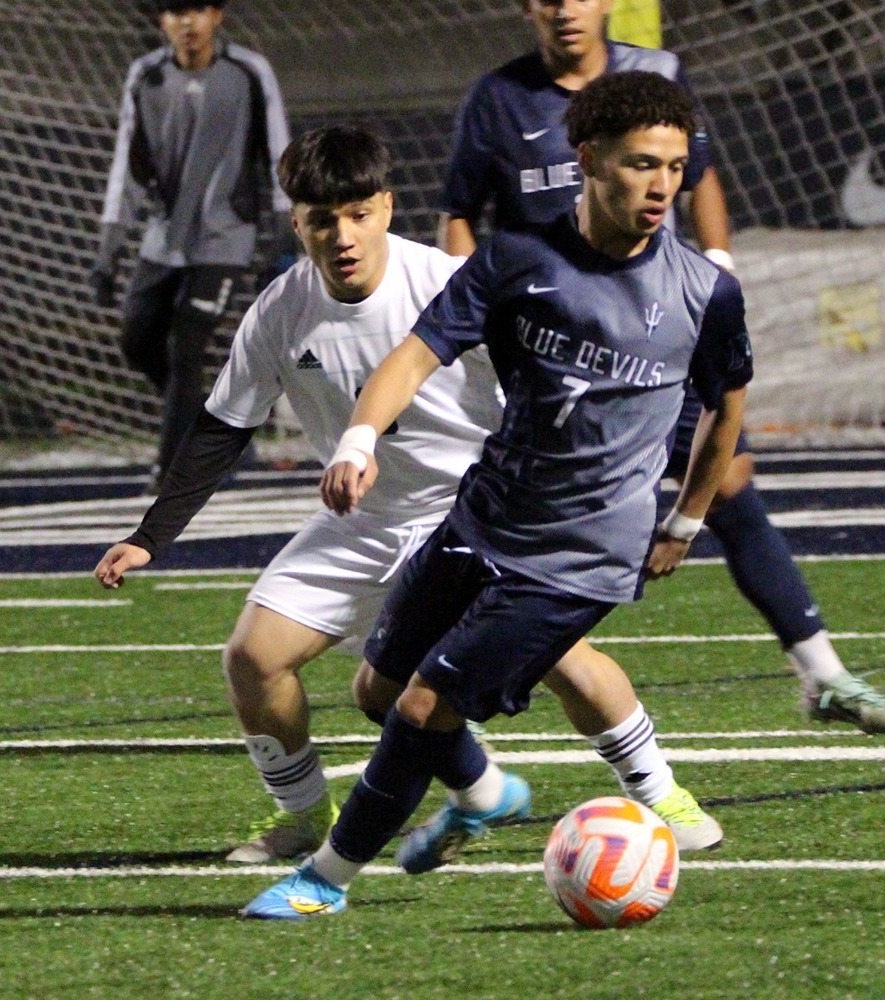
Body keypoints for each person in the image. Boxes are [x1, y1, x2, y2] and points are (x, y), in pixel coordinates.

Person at [94, 125, 721, 867]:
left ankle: (661, 793)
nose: (343, 235)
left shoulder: (450, 280)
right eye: (322, 219)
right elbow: (223, 425)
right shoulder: (279, 309)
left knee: (562, 658)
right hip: (365, 519)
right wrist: (151, 534)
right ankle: (312, 816)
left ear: (388, 207)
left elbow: (555, 378)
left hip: (474, 509)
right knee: (255, 657)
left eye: (359, 212)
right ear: (296, 222)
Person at [243, 73, 748, 920]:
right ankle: (482, 797)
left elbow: (727, 411)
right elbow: (413, 353)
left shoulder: (704, 290)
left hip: (579, 556)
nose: (662, 185)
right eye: (638, 164)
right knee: (377, 689)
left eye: (674, 164)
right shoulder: (517, 259)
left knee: (424, 702)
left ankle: (325, 878)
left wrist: (688, 518)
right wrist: (361, 438)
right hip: (483, 518)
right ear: (586, 161)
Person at [440, 0, 885, 732]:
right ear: (528, 7)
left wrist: (719, 261)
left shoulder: (655, 77)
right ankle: (454, 698)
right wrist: (477, 308)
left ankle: (822, 673)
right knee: (529, 520)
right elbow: (459, 212)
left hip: (652, 326)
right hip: (548, 355)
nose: (567, 11)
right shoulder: (498, 100)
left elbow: (701, 178)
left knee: (726, 478)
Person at [91, 0, 293, 493]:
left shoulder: (249, 73)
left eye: (198, 12)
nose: (188, 24)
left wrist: (280, 225)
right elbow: (126, 164)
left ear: (216, 17)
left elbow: (278, 149)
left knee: (187, 348)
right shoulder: (146, 77)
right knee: (137, 342)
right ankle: (213, 429)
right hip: (164, 237)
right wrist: (108, 249)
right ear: (162, 22)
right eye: (177, 14)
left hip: (228, 236)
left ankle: (173, 471)